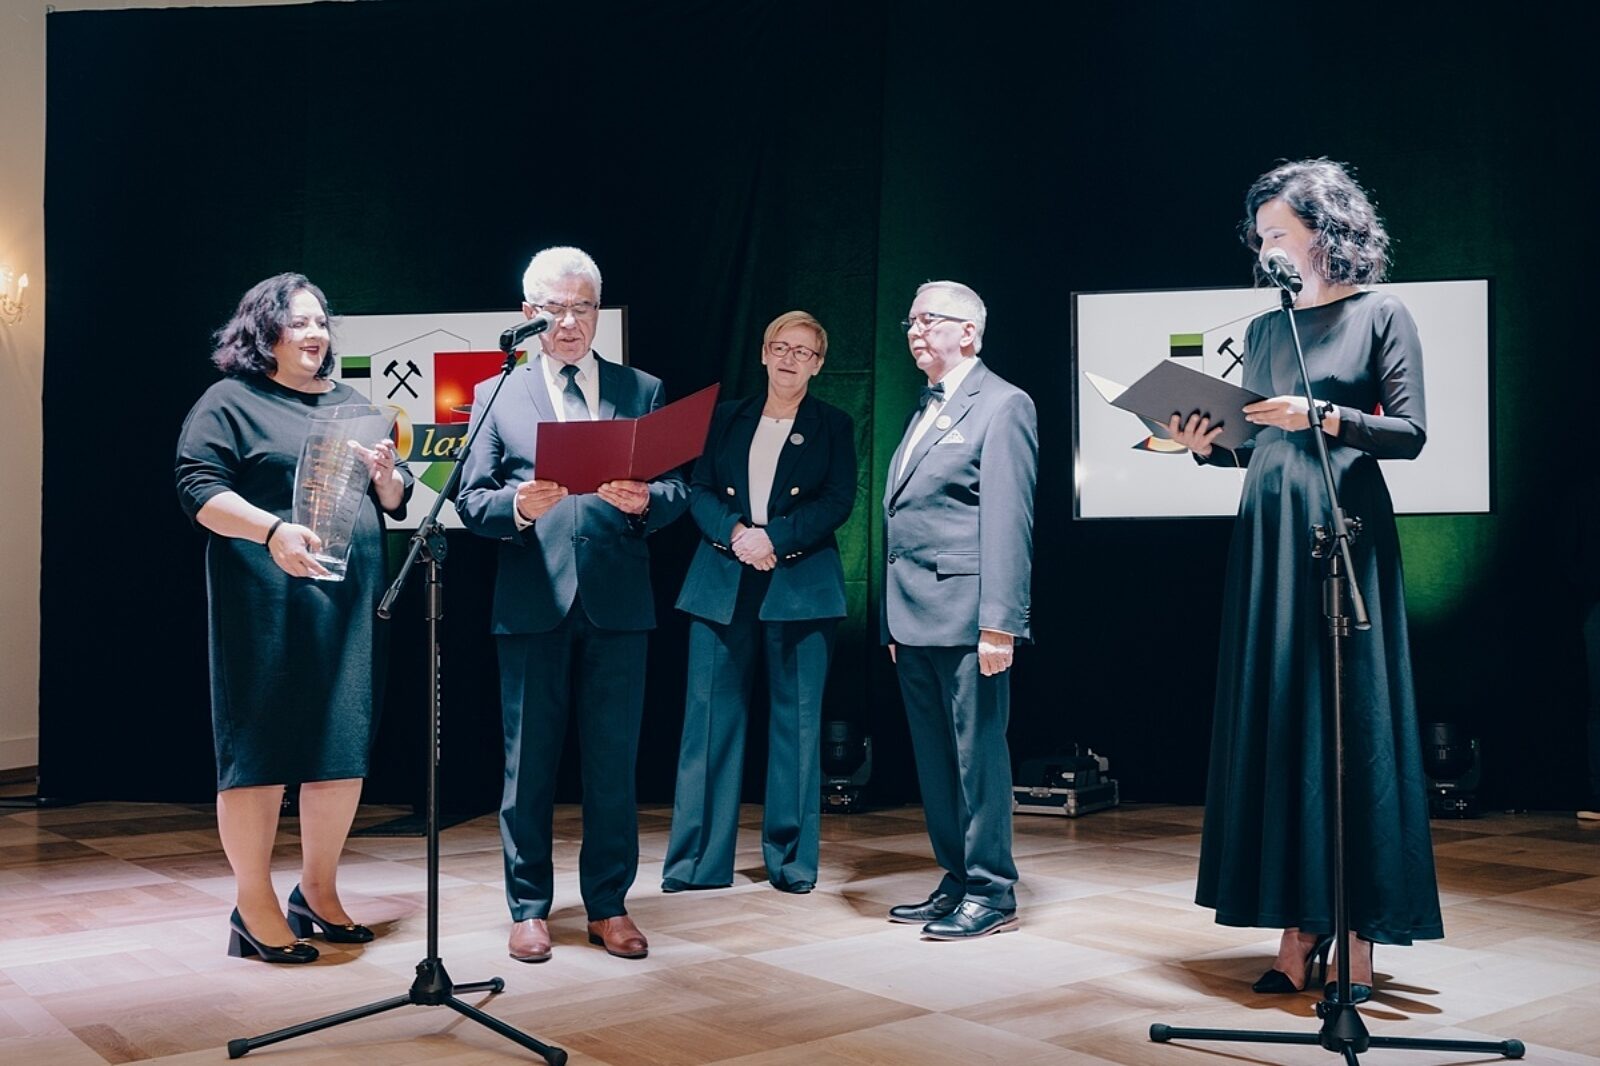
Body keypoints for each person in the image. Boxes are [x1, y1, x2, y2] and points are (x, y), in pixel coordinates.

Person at [1169, 159, 1442, 1002]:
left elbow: (1410, 432)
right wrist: (1205, 443)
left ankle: (1357, 932)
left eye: (1278, 232)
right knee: (1284, 719)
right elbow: (1256, 441)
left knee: (1349, 723)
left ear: (1325, 230)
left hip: (1343, 532)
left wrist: (1323, 414)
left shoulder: (1381, 313)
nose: (1267, 248)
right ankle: (1297, 924)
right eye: (1260, 237)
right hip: (1268, 538)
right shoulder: (1264, 330)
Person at [456, 246, 689, 963]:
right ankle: (528, 908)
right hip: (533, 601)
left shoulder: (641, 388)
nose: (569, 322)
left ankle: (609, 906)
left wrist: (648, 501)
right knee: (527, 765)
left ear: (598, 312)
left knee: (613, 766)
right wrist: (517, 507)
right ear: (529, 314)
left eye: (582, 308)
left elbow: (678, 491)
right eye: (554, 309)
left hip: (618, 604)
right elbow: (470, 499)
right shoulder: (498, 392)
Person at [175, 273, 413, 963]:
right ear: (264, 332)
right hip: (265, 604)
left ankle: (317, 891)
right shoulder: (231, 401)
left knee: (341, 748)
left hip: (348, 604)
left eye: (321, 323)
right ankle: (253, 905)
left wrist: (388, 477)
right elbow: (198, 489)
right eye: (299, 322)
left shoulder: (351, 404)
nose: (315, 334)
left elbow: (394, 499)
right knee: (260, 753)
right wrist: (272, 531)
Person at [663, 310, 857, 895]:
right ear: (764, 353)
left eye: (804, 351)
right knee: (708, 725)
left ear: (818, 364)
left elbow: (838, 499)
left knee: (797, 727)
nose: (790, 359)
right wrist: (737, 534)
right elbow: (697, 489)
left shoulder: (833, 424)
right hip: (721, 581)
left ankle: (791, 862)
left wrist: (775, 538)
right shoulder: (725, 418)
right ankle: (698, 863)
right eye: (781, 347)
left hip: (800, 585)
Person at [882, 280, 1038, 940]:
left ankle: (992, 890)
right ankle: (957, 876)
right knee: (936, 761)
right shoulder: (925, 406)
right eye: (911, 322)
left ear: (968, 332)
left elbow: (1009, 522)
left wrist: (1000, 623)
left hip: (970, 619)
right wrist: (890, 619)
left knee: (977, 759)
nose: (915, 331)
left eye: (929, 320)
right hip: (913, 617)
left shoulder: (1003, 404)